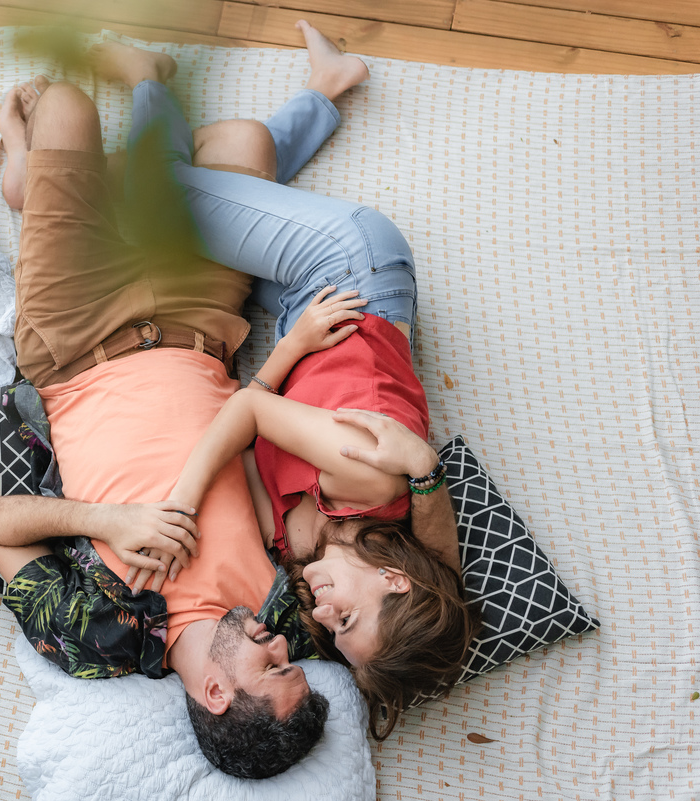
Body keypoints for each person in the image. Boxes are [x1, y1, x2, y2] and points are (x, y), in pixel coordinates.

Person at [89, 23, 477, 740]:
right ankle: (151, 76)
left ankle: (326, 91)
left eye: (335, 633)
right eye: (348, 616)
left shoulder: (309, 557)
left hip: (302, 326)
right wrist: (177, 505)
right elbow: (246, 419)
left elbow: (246, 430)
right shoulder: (369, 476)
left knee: (238, 151)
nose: (323, 616)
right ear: (396, 579)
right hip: (351, 276)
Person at [0, 57, 339, 778]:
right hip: (201, 319)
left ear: (215, 691)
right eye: (287, 659)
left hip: (74, 338)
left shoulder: (100, 640)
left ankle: (44, 171)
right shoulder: (290, 611)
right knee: (244, 144)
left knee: (68, 104)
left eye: (271, 668)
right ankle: (80, 184)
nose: (280, 645)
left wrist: (109, 522)